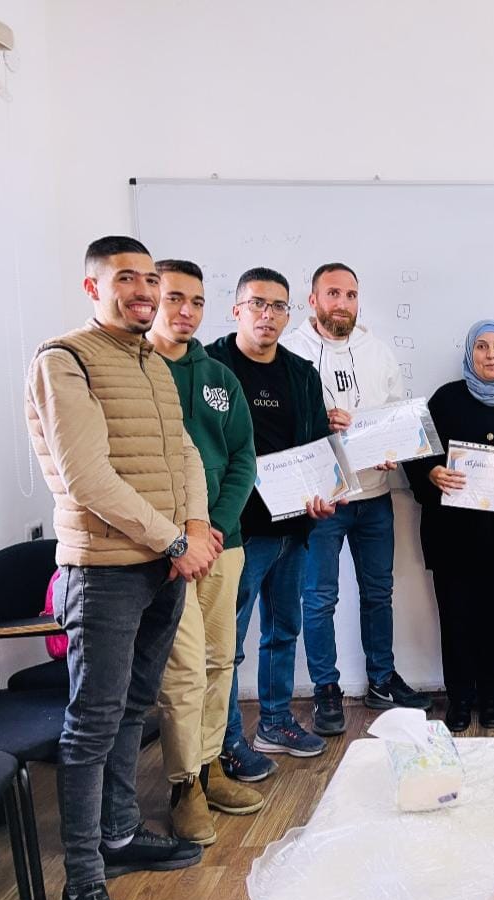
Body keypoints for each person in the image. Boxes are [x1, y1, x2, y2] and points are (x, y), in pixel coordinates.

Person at [26, 235, 217, 900]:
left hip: (163, 567)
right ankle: (82, 887)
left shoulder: (152, 362)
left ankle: (120, 832)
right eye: (126, 279)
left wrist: (194, 526)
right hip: (104, 571)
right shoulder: (64, 359)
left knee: (135, 707)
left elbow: (185, 453)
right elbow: (87, 478)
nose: (143, 291)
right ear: (93, 287)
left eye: (149, 280)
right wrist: (176, 541)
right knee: (92, 725)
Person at [281, 262, 431, 738]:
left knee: (378, 593)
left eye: (350, 294)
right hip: (324, 502)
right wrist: (318, 420)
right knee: (319, 598)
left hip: (376, 497)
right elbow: (280, 428)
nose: (342, 303)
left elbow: (398, 421)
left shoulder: (378, 351)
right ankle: (326, 688)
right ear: (313, 300)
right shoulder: (290, 352)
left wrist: (393, 450)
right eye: (332, 293)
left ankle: (382, 680)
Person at [148, 260, 263, 845]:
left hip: (224, 544)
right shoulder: (137, 370)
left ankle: (212, 764)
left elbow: (243, 456)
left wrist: (214, 527)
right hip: (165, 550)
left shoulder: (219, 376)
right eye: (175, 298)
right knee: (184, 670)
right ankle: (184, 783)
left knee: (221, 660)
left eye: (196, 301)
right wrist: (180, 537)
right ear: (152, 298)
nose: (186, 311)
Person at [207, 267, 337, 779]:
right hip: (237, 532)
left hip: (293, 528)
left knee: (284, 630)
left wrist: (325, 496)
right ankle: (226, 742)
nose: (268, 314)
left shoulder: (301, 372)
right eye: (257, 304)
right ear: (236, 309)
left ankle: (276, 721)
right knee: (227, 644)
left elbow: (317, 444)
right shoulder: (211, 366)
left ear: (289, 314)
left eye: (278, 306)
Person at [404, 320, 494, 732]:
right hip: (452, 537)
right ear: (470, 353)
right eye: (481, 346)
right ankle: (460, 699)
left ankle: (492, 698)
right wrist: (431, 472)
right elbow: (416, 453)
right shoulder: (445, 399)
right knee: (456, 622)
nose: (491, 354)